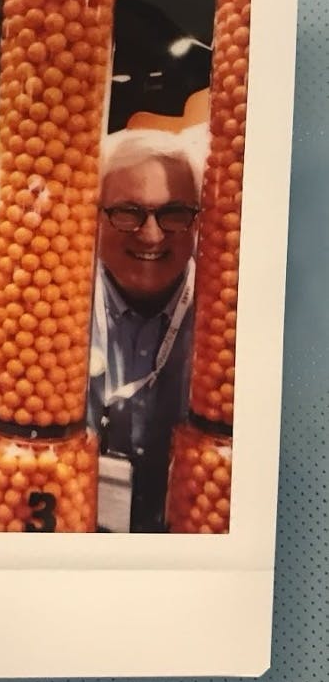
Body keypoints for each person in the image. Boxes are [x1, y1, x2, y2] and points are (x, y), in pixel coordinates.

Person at [87, 125, 207, 533]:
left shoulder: (225, 319)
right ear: (95, 215)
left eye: (174, 213)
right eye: (127, 212)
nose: (152, 234)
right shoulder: (53, 313)